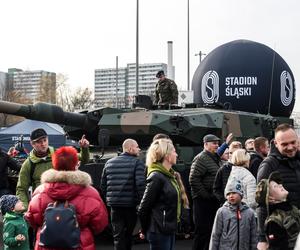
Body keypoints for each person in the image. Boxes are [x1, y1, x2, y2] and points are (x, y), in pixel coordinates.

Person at [25, 146, 108, 250]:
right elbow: (100, 224)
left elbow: (32, 219)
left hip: (46, 245)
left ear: (54, 164)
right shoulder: (90, 193)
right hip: (79, 245)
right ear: (75, 164)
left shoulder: (40, 191)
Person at [16, 128, 90, 209]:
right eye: (39, 142)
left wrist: (84, 148)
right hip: (41, 205)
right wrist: (25, 209)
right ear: (32, 144)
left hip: (62, 203)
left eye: (45, 140)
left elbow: (83, 159)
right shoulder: (28, 164)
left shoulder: (59, 154)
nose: (43, 144)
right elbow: (21, 189)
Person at [257, 123, 300, 250]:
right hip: (282, 233)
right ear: (276, 144)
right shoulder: (269, 165)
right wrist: (262, 238)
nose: (290, 147)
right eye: (284, 144)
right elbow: (261, 203)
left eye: (293, 142)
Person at [101, 138, 145, 250]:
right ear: (130, 148)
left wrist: (110, 199)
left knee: (117, 236)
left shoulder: (109, 162)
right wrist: (142, 203)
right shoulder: (137, 163)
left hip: (114, 206)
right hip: (130, 206)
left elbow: (103, 185)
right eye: (137, 146)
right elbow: (140, 185)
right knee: (128, 235)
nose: (139, 149)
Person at [138, 139, 180, 250]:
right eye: (174, 151)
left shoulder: (168, 176)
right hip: (159, 230)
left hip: (167, 228)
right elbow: (143, 208)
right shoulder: (156, 177)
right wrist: (145, 228)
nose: (176, 154)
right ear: (167, 155)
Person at [189, 134, 222, 250]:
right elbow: (193, 179)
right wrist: (206, 196)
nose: (217, 145)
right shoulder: (201, 158)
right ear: (206, 144)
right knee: (202, 232)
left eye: (217, 143)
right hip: (202, 202)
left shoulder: (214, 157)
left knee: (209, 232)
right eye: (214, 143)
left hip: (212, 201)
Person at [256, 171, 300, 250]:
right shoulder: (274, 222)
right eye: (275, 186)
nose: (280, 185)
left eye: (279, 183)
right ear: (271, 199)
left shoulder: (292, 209)